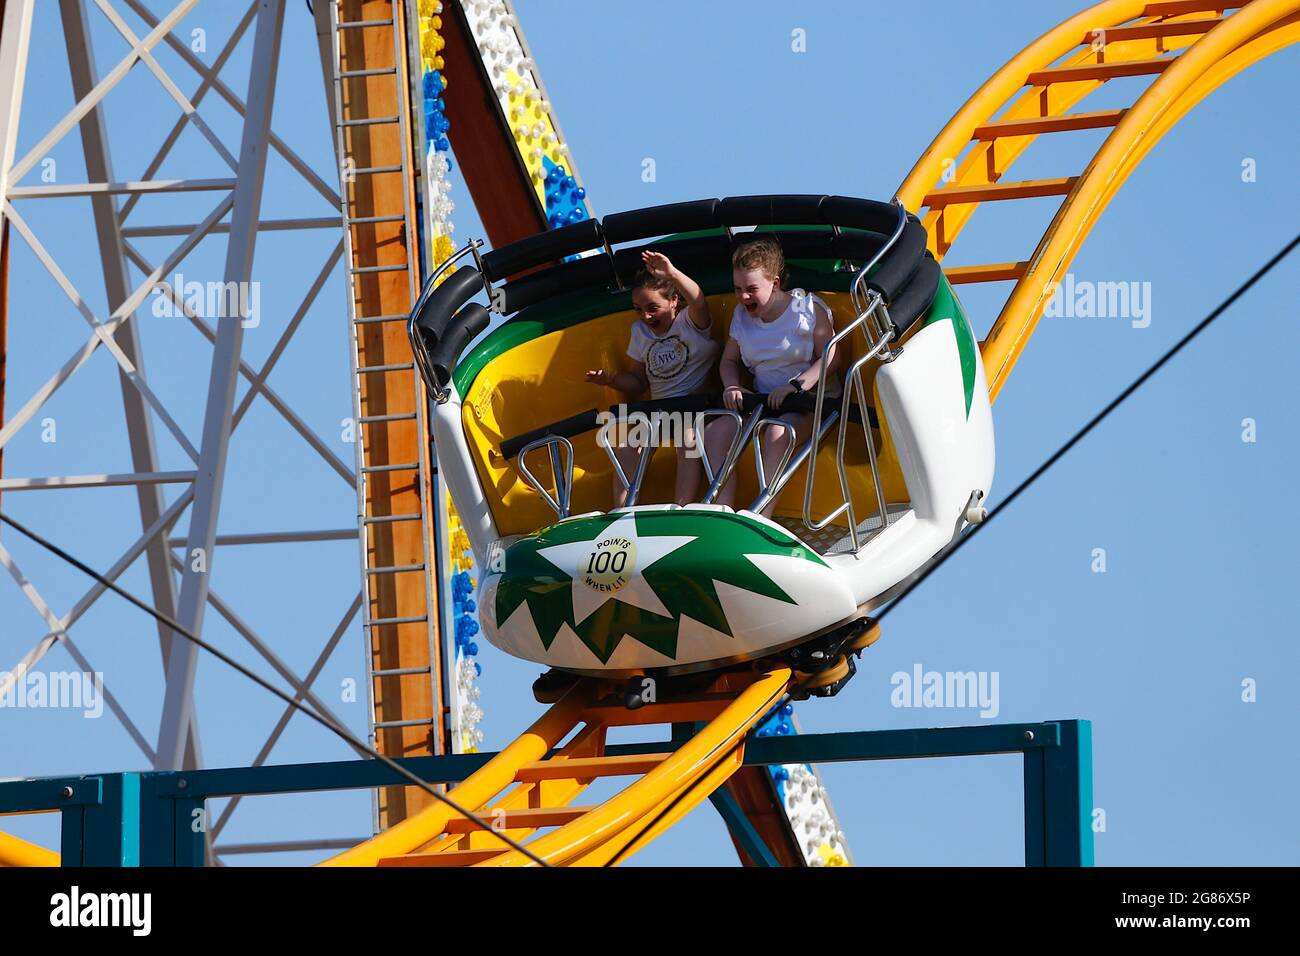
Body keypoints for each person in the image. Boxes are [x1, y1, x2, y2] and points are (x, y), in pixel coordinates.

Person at [703, 236, 840, 515]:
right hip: (764, 403)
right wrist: (732, 386)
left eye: (751, 289)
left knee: (778, 433)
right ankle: (722, 509)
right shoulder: (741, 316)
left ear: (775, 283)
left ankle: (762, 515)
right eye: (738, 288)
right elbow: (729, 360)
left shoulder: (807, 308)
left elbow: (831, 358)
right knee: (715, 432)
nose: (743, 297)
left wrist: (796, 386)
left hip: (811, 402)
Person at [584, 250, 717, 506]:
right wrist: (610, 379)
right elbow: (638, 382)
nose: (646, 316)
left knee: (687, 438)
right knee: (626, 446)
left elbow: (699, 300)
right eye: (638, 310)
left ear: (674, 301)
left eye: (653, 308)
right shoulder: (641, 332)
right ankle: (623, 512)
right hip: (658, 412)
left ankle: (681, 508)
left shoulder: (691, 323)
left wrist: (672, 273)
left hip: (695, 409)